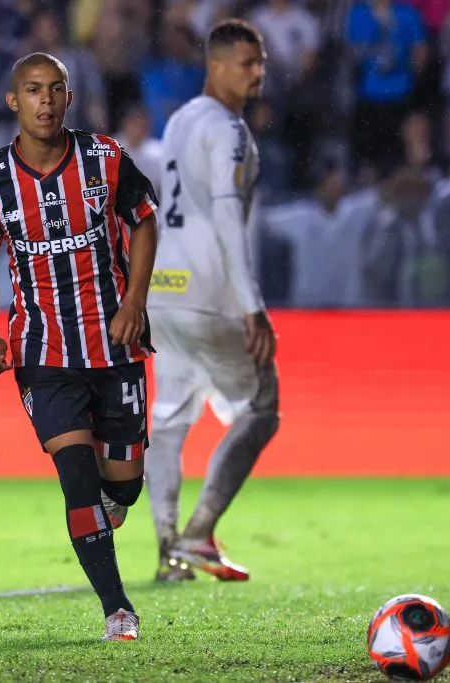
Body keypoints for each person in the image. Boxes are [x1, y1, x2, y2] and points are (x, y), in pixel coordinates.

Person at [0, 52, 159, 642]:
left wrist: (134, 303)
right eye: (32, 90)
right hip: (42, 352)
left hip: (114, 342)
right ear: (13, 101)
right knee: (75, 475)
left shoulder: (104, 157)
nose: (45, 101)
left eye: (54, 90)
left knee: (122, 485)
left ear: (68, 98)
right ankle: (117, 608)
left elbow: (146, 222)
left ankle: (114, 496)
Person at [145, 19, 280, 583]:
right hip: (206, 290)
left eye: (261, 61)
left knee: (171, 419)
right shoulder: (226, 129)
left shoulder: (178, 121)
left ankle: (169, 553)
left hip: (162, 290)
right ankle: (198, 534)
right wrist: (252, 304)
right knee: (261, 408)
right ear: (216, 64)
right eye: (247, 62)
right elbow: (227, 214)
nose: (258, 72)